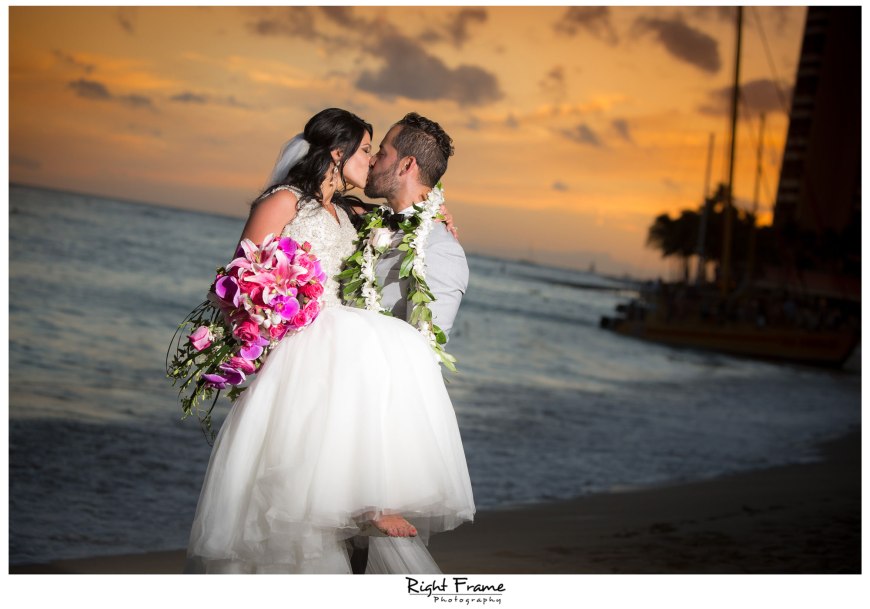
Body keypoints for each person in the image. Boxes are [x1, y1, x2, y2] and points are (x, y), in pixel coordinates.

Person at [184, 108, 474, 574]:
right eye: (366, 149)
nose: (374, 158)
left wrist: (435, 209)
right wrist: (272, 313)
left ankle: (367, 505)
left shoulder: (390, 230)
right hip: (304, 372)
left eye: (380, 151)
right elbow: (240, 279)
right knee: (279, 515)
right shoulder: (317, 208)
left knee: (326, 532)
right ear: (338, 155)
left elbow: (421, 349)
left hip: (349, 400)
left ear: (405, 167)